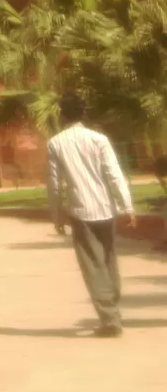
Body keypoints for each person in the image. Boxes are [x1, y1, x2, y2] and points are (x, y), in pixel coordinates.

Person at [46, 93, 135, 337]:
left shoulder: (56, 143)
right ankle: (112, 310)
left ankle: (109, 319)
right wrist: (127, 206)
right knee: (108, 259)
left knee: (92, 265)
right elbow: (114, 174)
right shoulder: (99, 139)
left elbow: (54, 184)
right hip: (105, 208)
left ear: (62, 115)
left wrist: (57, 216)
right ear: (83, 114)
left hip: (81, 210)